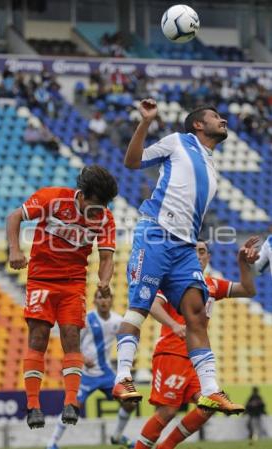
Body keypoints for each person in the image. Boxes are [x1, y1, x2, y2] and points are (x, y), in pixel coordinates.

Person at [112, 99, 246, 414]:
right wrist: (145, 122)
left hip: (185, 246)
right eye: (215, 116)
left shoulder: (211, 162)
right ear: (198, 124)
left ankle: (211, 390)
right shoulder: (177, 142)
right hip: (156, 232)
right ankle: (122, 377)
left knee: (196, 314)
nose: (222, 119)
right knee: (139, 306)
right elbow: (133, 162)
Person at [6, 165, 118, 429]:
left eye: (103, 206)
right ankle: (33, 406)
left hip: (73, 284)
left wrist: (104, 280)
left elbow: (106, 257)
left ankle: (71, 403)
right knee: (38, 337)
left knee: (71, 337)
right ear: (82, 194)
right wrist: (14, 250)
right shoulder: (52, 198)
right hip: (41, 279)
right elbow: (14, 217)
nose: (98, 211)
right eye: (94, 204)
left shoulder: (105, 218)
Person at [135, 238, 259, 449]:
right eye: (193, 252)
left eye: (202, 251)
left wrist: (242, 263)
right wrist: (173, 325)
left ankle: (166, 447)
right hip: (171, 354)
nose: (198, 256)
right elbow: (153, 304)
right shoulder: (174, 280)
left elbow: (248, 290)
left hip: (196, 361)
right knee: (167, 411)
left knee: (208, 404)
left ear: (208, 257)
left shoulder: (211, 284)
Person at [47, 289, 135, 449]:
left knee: (130, 401)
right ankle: (52, 443)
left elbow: (126, 342)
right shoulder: (87, 320)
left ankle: (117, 436)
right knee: (72, 408)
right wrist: (82, 357)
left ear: (111, 300)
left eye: (106, 297)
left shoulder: (118, 321)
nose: (103, 301)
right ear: (94, 301)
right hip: (86, 375)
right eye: (100, 298)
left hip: (107, 373)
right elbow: (71, 343)